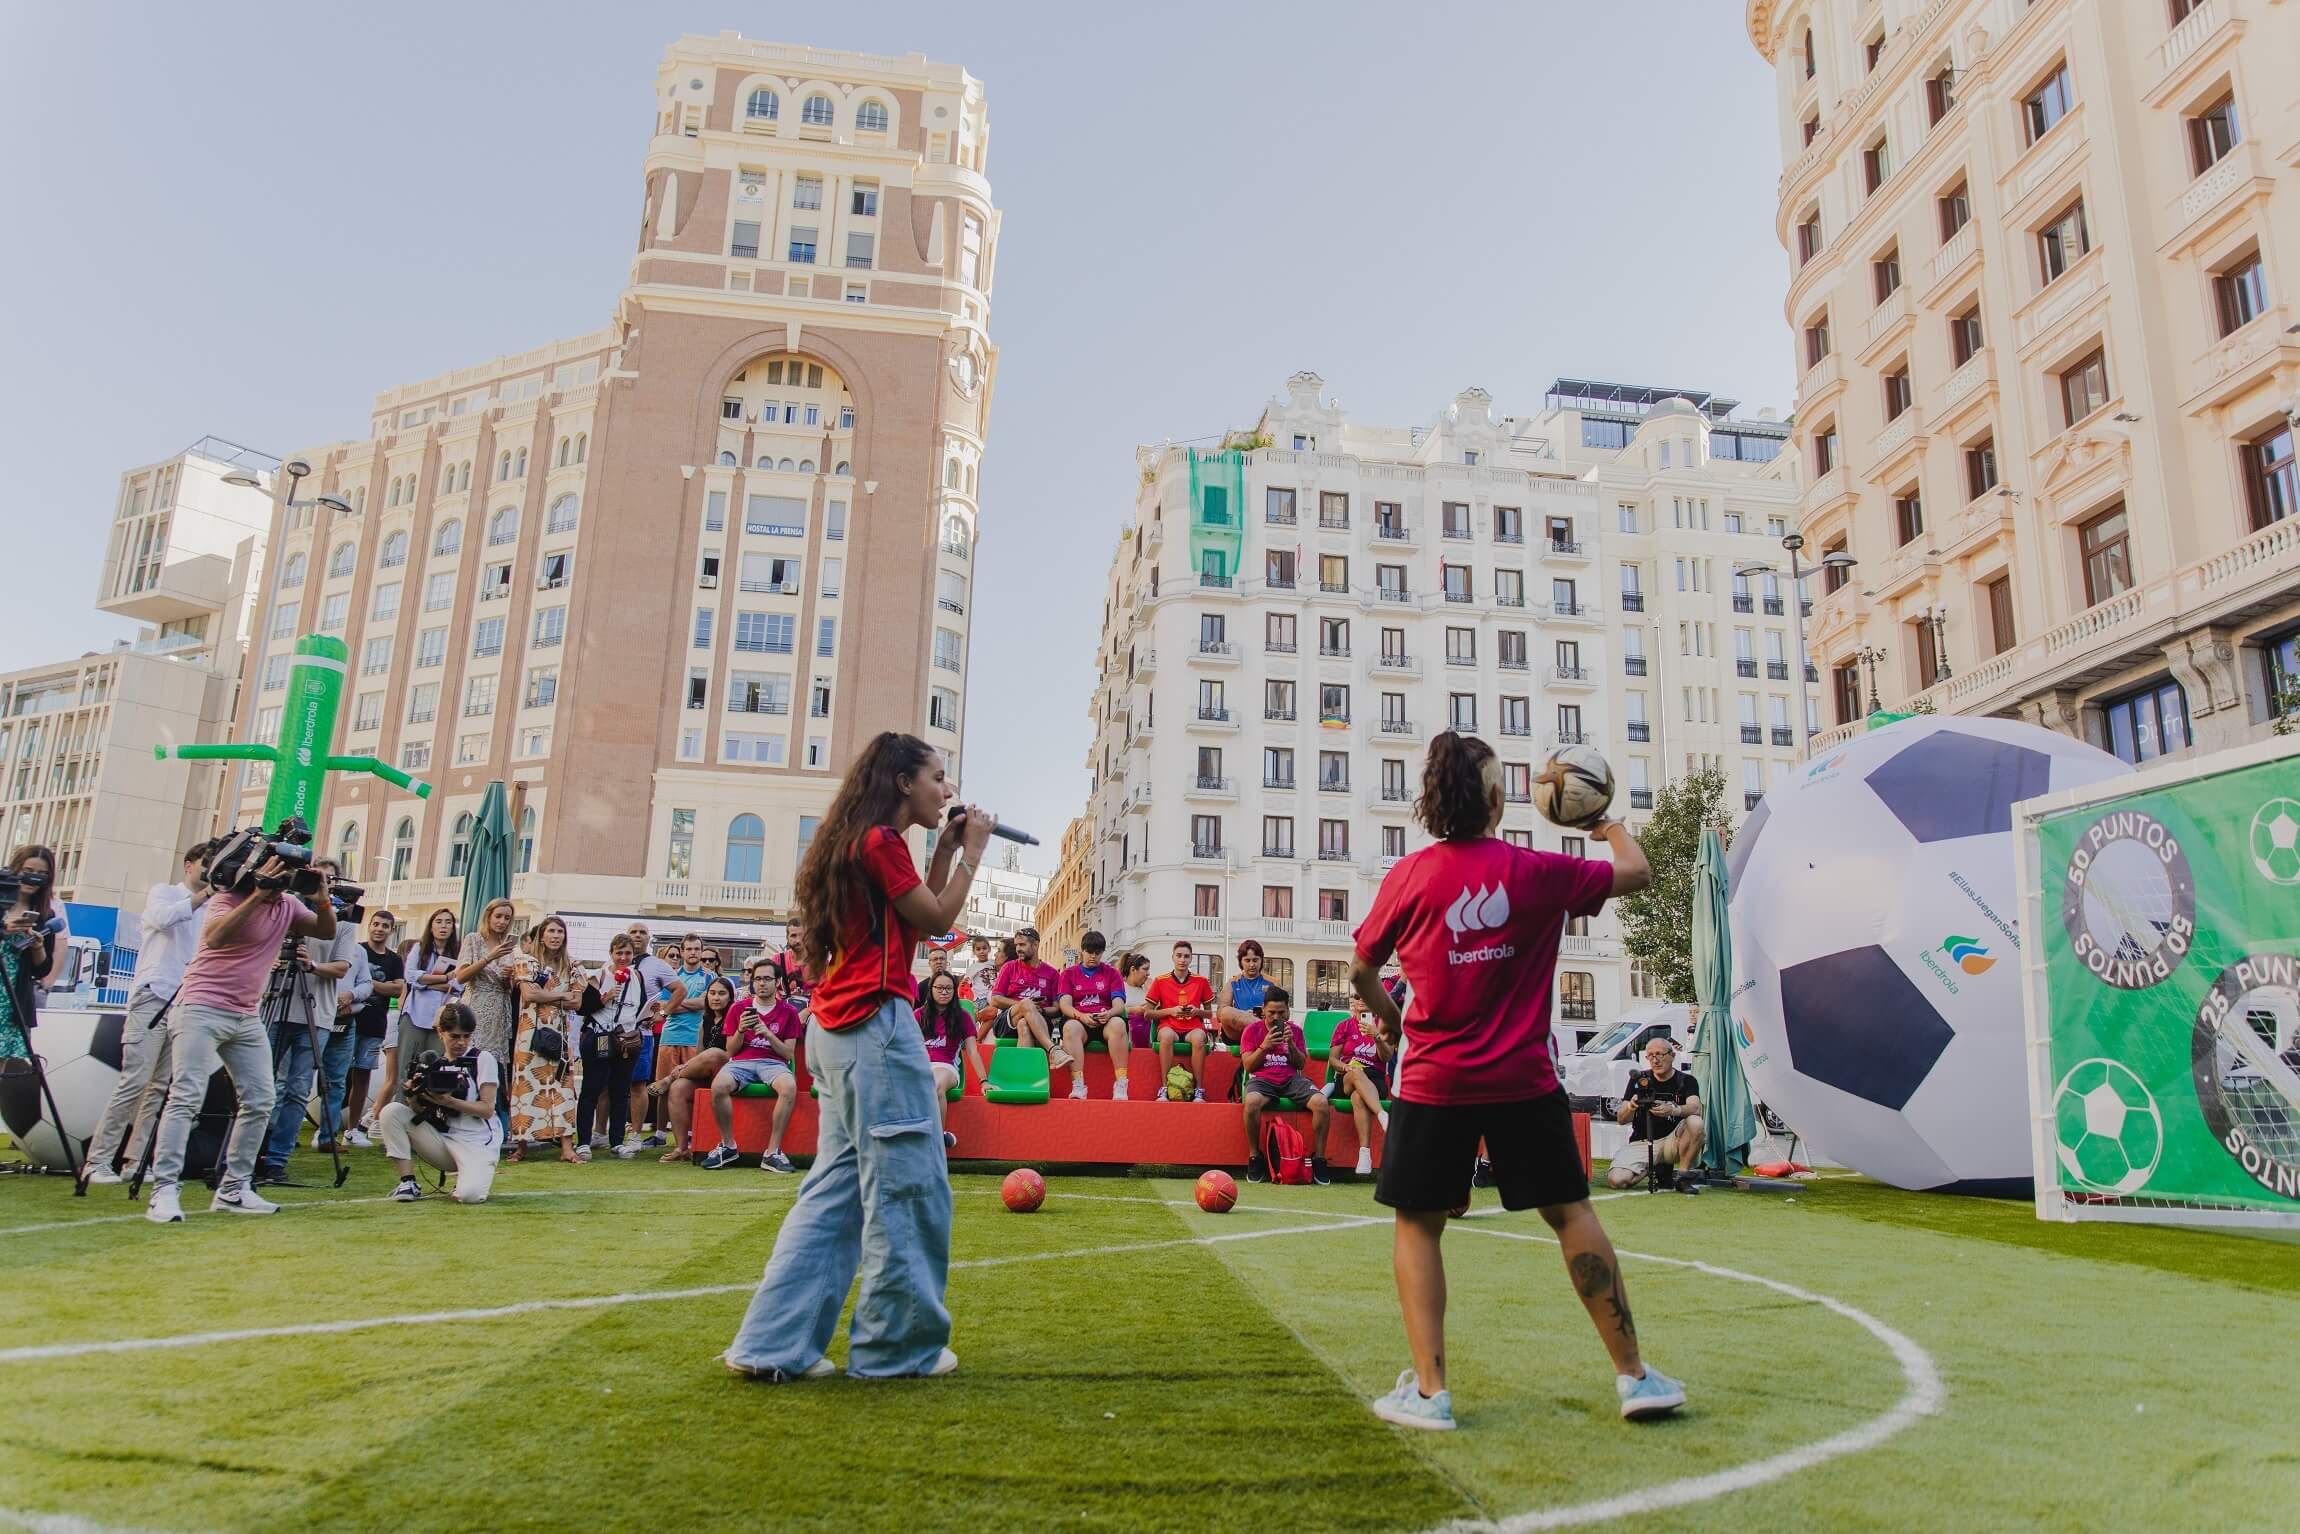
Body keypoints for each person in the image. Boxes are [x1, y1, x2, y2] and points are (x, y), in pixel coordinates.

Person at [1350, 731, 1681, 1431]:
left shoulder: (1408, 876)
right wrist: (1601, 819)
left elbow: (1359, 972)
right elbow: (1637, 870)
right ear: (1498, 800)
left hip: (1433, 1078)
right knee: (1570, 1212)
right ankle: (1636, 1378)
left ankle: (1432, 1394)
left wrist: (1391, 1023)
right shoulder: (1537, 871)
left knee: (1420, 1224)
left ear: (1434, 803)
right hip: (1523, 1080)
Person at [724, 730, 992, 1383]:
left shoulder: (864, 842)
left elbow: (911, 919)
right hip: (874, 1027)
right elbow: (937, 920)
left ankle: (773, 1345)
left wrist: (945, 850)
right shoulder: (879, 842)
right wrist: (971, 857)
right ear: (903, 781)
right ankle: (897, 1348)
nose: (947, 790)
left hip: (837, 1030)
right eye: (937, 777)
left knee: (836, 1191)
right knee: (907, 1187)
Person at [145, 846, 338, 1222]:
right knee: (186, 1097)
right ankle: (164, 1190)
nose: (286, 879)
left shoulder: (289, 906)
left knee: (261, 1100)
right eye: (280, 871)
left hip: (245, 1014)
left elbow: (325, 931)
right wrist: (257, 896)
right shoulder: (227, 899)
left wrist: (323, 899)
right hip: (201, 1006)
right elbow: (216, 938)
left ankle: (234, 1188)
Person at [83, 840, 213, 1184]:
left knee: (159, 1087)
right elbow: (162, 919)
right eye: (205, 864)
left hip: (185, 1001)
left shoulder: (213, 909)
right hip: (153, 995)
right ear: (188, 864)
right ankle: (97, 1161)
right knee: (134, 1081)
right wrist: (204, 896)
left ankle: (136, 1162)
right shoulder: (165, 892)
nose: (210, 871)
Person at [255, 863, 367, 1183]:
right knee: (265, 1086)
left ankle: (277, 1158)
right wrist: (270, 960)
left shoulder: (343, 921)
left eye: (324, 879)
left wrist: (313, 965)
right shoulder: (285, 905)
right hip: (277, 1005)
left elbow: (342, 967)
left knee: (297, 1089)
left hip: (315, 1013)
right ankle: (253, 1152)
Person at [379, 1001, 502, 1204]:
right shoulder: (434, 1065)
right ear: (441, 1033)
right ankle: (407, 1181)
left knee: (470, 1196)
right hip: (443, 1140)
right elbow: (419, 1113)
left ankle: (468, 1176)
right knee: (392, 1111)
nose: (461, 1042)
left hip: (477, 1141)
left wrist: (448, 1101)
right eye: (454, 1036)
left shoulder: (482, 1059)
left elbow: (487, 1109)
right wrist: (413, 1094)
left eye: (466, 1036)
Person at [703, 963, 804, 1173]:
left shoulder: (789, 1012)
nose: (761, 983)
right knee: (719, 1086)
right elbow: (730, 1051)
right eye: (758, 979)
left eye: (767, 979)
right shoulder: (738, 1008)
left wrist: (767, 1033)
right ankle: (728, 1145)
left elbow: (788, 1054)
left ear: (777, 983)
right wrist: (740, 1029)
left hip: (774, 1063)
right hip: (742, 1062)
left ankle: (772, 1152)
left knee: (789, 1087)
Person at [508, 914, 585, 1164]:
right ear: (542, 935)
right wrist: (562, 994)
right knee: (524, 1085)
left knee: (562, 1088)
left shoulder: (572, 964)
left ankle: (566, 1147)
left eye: (560, 932)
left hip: (559, 1033)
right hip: (529, 1031)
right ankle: (521, 1146)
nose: (555, 936)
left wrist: (548, 994)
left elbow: (577, 1001)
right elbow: (529, 994)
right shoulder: (527, 961)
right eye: (551, 931)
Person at [1240, 986, 1330, 1184]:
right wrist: (1265, 1046)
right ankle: (1255, 1157)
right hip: (1262, 1079)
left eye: (1281, 1013)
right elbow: (1248, 1065)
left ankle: (1319, 1159)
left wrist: (1290, 1045)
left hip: (1291, 1079)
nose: (1275, 1017)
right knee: (1252, 1102)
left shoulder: (1295, 1031)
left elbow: (1301, 1064)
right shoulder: (1252, 1030)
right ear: (1263, 1010)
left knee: (1322, 1104)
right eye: (1271, 1012)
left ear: (1288, 1011)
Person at [454, 898, 525, 1139]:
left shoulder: (511, 948)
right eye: (499, 916)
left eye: (507, 917)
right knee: (471, 1061)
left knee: (495, 1067)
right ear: (489, 916)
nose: (502, 921)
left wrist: (510, 977)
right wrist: (489, 957)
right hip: (476, 1004)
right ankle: (463, 1119)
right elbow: (461, 976)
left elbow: (512, 986)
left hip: (500, 1008)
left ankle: (497, 1127)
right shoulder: (473, 939)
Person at [576, 933, 651, 1161]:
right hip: (602, 1034)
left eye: (627, 953)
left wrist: (649, 1015)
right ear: (611, 953)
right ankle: (584, 1141)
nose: (623, 957)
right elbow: (583, 1007)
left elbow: (641, 1006)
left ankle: (617, 1140)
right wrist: (605, 997)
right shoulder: (599, 975)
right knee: (593, 1088)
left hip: (627, 1038)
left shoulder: (637, 975)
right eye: (619, 953)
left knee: (621, 1090)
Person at [654, 974, 737, 1162]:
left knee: (714, 1052)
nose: (716, 997)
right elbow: (699, 1055)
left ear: (730, 997)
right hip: (707, 1071)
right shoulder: (704, 1021)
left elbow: (731, 1051)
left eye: (722, 994)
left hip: (731, 1070)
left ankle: (670, 1078)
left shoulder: (735, 1017)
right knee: (678, 1089)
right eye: (712, 993)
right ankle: (682, 1148)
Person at [1607, 1039, 1706, 1191]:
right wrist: (1632, 1106)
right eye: (1650, 1056)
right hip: (1642, 1141)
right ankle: (1651, 1168)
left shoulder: (1686, 1080)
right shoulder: (1639, 1080)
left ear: (1672, 1056)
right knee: (1617, 1180)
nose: (1655, 1060)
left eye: (1659, 1054)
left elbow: (1695, 1108)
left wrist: (1673, 1109)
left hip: (1673, 1141)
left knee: (1696, 1122)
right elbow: (1621, 1119)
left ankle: (1683, 1177)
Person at [343, 907, 405, 1148]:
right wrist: (381, 985)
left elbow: (397, 988)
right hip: (348, 1021)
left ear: (391, 930)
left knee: (362, 1076)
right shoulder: (356, 951)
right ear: (369, 925)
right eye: (376, 924)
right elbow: (346, 982)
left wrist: (368, 984)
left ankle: (352, 1129)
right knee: (338, 1076)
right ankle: (326, 1130)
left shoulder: (393, 960)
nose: (379, 929)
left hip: (375, 1024)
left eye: (385, 926)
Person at [391, 909, 462, 1115]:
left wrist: (428, 982)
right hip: (415, 1015)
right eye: (438, 921)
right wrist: (443, 978)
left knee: (435, 1069)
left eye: (448, 922)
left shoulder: (457, 953)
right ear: (431, 926)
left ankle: (427, 1118)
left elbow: (459, 985)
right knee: (407, 1068)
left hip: (442, 1018)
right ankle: (399, 1117)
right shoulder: (419, 949)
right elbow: (411, 977)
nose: (443, 926)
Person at [1323, 992, 1394, 1178]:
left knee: (1358, 1097)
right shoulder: (1344, 1026)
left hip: (1375, 1078)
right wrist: (1345, 1067)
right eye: (1357, 996)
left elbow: (1386, 1057)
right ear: (1353, 1002)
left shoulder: (1383, 1026)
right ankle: (1381, 1114)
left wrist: (1376, 1036)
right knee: (1356, 1072)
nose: (1361, 999)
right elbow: (1333, 1059)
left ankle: (1365, 1154)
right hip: (1347, 1076)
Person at [1056, 930, 1132, 1100]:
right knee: (1069, 1028)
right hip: (1079, 1020)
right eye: (1090, 952)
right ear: (1082, 951)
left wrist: (1109, 1013)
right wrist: (1081, 1016)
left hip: (1105, 1020)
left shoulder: (1112, 973)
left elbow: (1119, 1004)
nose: (1093, 957)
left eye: (1098, 953)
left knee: (1118, 1025)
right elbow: (1065, 1005)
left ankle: (1121, 1084)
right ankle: (1078, 1085)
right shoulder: (1068, 973)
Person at [991, 926, 1071, 1083]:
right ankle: (1053, 1050)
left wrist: (1039, 1009)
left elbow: (1056, 1008)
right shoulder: (1009, 967)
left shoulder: (1052, 973)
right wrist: (1024, 1006)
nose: (1018, 949)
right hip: (1007, 1021)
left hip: (1040, 1020)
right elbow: (995, 999)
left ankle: (1022, 1080)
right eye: (1016, 945)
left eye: (1022, 945)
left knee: (1024, 1025)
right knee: (1026, 1007)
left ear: (1035, 945)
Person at [915, 969, 982, 1148]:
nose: (944, 992)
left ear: (954, 991)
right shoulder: (918, 1015)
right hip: (920, 1066)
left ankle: (936, 1142)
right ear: (931, 990)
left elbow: (973, 1051)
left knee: (935, 1087)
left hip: (946, 1067)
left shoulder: (963, 1017)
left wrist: (984, 1081)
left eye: (948, 988)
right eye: (940, 988)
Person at [1145, 941, 1214, 1101]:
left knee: (1198, 1039)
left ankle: (1198, 1090)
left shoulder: (1201, 981)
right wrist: (1171, 1011)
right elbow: (1147, 1013)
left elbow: (1210, 1014)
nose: (1182, 960)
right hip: (1169, 1025)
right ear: (1173, 957)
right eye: (1179, 956)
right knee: (1166, 1037)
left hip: (1193, 1027)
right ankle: (1164, 1087)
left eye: (1186, 956)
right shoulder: (1160, 981)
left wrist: (1197, 1011)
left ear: (1191, 959)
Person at [1217, 939, 1272, 1047]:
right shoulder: (1232, 983)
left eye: (1255, 960)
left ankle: (1263, 1032)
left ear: (1261, 960)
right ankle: (1264, 1032)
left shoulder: (1272, 983)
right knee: (1225, 1011)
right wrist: (1244, 1016)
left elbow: (1285, 1014)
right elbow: (1220, 1015)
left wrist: (1266, 1013)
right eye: (1247, 960)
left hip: (1265, 1025)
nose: (1252, 965)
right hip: (1237, 1033)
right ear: (1241, 962)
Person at [914, 945, 953, 1009]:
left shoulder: (955, 984)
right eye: (935, 959)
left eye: (942, 958)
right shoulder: (921, 987)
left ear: (946, 962)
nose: (939, 962)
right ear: (929, 963)